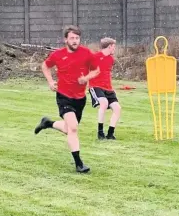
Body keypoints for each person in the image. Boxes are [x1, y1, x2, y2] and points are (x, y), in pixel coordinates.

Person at [34, 25, 100, 173]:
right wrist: (51, 82)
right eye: (72, 38)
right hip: (64, 96)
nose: (75, 41)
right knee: (74, 128)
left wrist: (86, 78)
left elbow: (96, 70)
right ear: (66, 40)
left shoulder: (86, 53)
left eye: (77, 38)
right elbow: (45, 66)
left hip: (80, 98)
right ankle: (79, 163)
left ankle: (48, 123)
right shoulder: (58, 55)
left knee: (69, 128)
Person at [89, 38, 121, 140]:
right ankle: (100, 133)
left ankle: (110, 134)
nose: (114, 49)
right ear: (109, 46)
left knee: (117, 108)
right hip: (95, 86)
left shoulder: (110, 59)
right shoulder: (94, 57)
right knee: (104, 103)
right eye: (113, 47)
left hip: (108, 88)